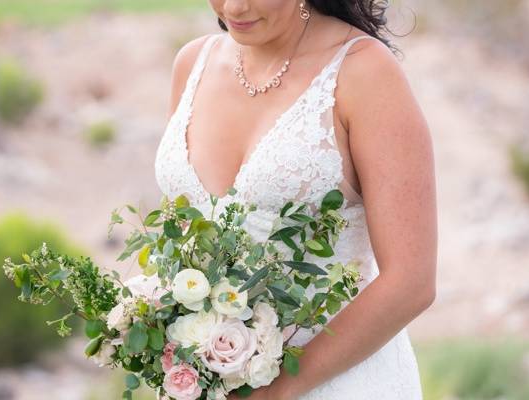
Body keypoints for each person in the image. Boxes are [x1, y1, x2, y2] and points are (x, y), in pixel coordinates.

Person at [154, 1, 437, 398]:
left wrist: (276, 391)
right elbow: (182, 239)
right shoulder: (192, 63)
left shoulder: (365, 73)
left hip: (339, 382)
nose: (234, 6)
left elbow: (411, 282)